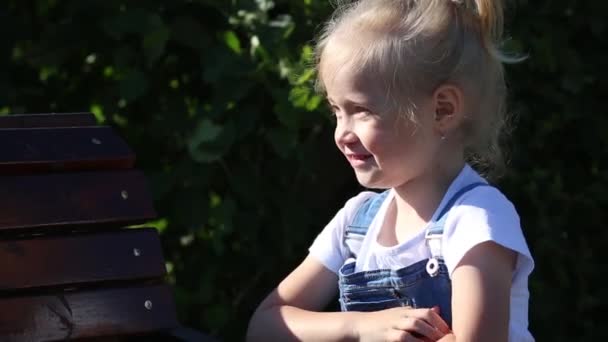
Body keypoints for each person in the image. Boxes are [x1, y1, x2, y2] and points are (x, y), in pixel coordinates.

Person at [247, 0, 534, 340]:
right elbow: (265, 326)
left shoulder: (476, 219)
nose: (342, 133)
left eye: (362, 110)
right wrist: (362, 326)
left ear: (442, 110)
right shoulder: (355, 224)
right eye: (337, 110)